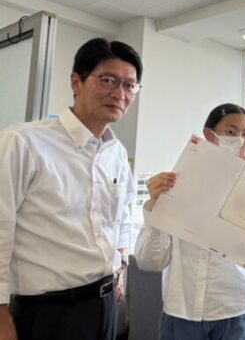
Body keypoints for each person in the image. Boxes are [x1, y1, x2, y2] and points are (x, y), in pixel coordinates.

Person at [0, 38, 142, 340]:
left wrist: (121, 262)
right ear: (76, 82)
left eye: (130, 86)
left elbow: (122, 217)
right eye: (107, 80)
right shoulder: (24, 142)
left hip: (107, 304)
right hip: (49, 311)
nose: (120, 94)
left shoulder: (116, 153)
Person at [135, 103, 245, 340]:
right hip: (183, 316)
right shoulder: (175, 185)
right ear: (209, 135)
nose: (240, 140)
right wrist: (155, 206)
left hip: (237, 313)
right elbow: (150, 261)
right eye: (231, 132)